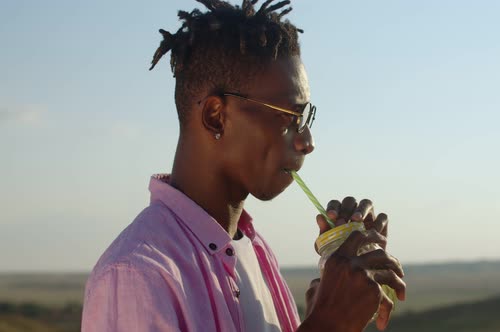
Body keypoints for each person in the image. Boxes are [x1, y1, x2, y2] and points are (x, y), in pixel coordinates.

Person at [81, 1, 406, 331]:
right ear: (216, 116)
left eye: (305, 117)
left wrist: (325, 310)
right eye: (289, 117)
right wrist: (327, 324)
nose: (306, 142)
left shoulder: (253, 250)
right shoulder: (139, 273)